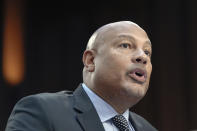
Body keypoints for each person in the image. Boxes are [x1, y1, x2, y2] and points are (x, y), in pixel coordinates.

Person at [5, 21, 157, 131]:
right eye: (125, 45)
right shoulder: (42, 111)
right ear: (91, 61)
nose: (142, 57)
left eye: (147, 52)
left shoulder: (148, 129)